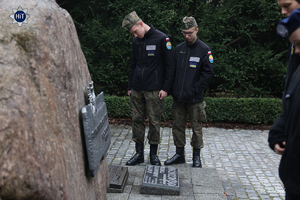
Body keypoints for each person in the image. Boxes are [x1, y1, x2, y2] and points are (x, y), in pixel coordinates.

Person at [121, 11, 174, 166]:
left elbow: (170, 66)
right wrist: (130, 86)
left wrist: (165, 88)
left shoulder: (162, 39)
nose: (135, 35)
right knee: (136, 121)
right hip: (137, 89)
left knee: (154, 122)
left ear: (141, 24)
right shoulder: (136, 41)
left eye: (135, 32)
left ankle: (153, 155)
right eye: (133, 34)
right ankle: (138, 154)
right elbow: (133, 64)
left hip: (154, 90)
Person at [164, 17, 213, 168]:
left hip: (195, 99)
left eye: (190, 33)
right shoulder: (179, 49)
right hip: (178, 98)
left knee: (196, 127)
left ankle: (196, 157)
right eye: (184, 33)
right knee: (177, 126)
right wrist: (172, 89)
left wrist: (194, 90)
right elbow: (171, 71)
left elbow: (207, 73)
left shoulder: (204, 50)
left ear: (196, 30)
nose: (187, 36)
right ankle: (179, 154)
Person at [269, 8, 300, 200]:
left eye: (298, 44)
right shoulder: (297, 68)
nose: (296, 52)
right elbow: (290, 106)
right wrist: (277, 134)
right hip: (293, 182)